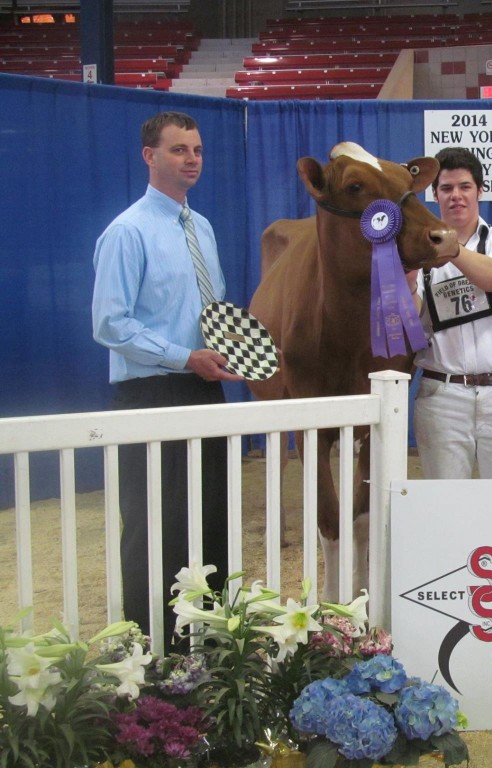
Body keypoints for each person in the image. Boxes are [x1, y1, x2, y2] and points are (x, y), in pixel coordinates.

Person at [92, 111, 241, 651]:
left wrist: (231, 351)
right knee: (155, 528)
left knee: (213, 521)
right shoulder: (127, 232)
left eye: (197, 149)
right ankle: (151, 650)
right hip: (149, 393)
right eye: (179, 150)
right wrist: (184, 357)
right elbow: (109, 323)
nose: (192, 159)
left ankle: (214, 648)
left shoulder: (200, 228)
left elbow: (211, 310)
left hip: (204, 387)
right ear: (149, 156)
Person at [411, 146, 492, 479]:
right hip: (441, 394)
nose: (456, 196)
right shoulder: (417, 255)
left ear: (481, 190)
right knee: (448, 506)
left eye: (465, 186)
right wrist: (406, 273)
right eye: (446, 188)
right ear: (434, 195)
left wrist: (448, 248)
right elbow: (411, 316)